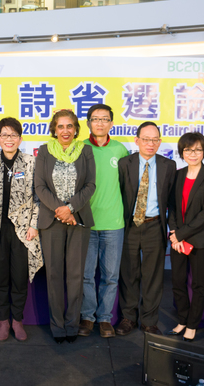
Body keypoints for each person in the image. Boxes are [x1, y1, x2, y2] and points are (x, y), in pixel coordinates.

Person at [35, 109, 96, 344]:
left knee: (75, 275)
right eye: (60, 126)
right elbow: (40, 186)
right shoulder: (44, 151)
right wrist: (61, 210)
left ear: (76, 129)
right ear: (54, 129)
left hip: (79, 220)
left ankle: (72, 325)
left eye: (69, 126)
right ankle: (57, 327)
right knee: (54, 276)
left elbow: (90, 185)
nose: (65, 131)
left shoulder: (86, 151)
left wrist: (70, 208)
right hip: (51, 221)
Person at [0, 117, 43, 342]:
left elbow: (38, 197)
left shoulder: (30, 162)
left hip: (22, 230)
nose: (9, 139)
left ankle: (17, 321)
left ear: (20, 138)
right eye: (4, 135)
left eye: (13, 135)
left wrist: (34, 224)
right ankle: (3, 321)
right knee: (0, 277)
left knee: (19, 276)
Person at [116, 122, 176, 336]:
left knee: (153, 276)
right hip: (130, 225)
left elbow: (172, 200)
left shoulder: (169, 166)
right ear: (137, 140)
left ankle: (149, 320)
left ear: (159, 142)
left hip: (154, 225)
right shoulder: (125, 164)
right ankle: (128, 318)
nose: (150, 144)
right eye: (146, 139)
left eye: (155, 140)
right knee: (129, 274)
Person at [78, 104, 128, 338]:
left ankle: (105, 318)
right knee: (87, 274)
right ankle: (87, 316)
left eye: (104, 119)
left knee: (110, 276)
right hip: (87, 223)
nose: (100, 123)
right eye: (95, 119)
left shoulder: (120, 150)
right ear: (88, 123)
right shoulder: (79, 149)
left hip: (113, 223)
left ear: (111, 123)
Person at [167, 132, 204, 342]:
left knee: (198, 285)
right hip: (177, 240)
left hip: (200, 240)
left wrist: (181, 233)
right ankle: (182, 320)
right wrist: (174, 233)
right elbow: (171, 206)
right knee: (177, 282)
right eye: (188, 150)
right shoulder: (178, 175)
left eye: (197, 149)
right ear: (182, 152)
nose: (193, 154)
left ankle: (193, 324)